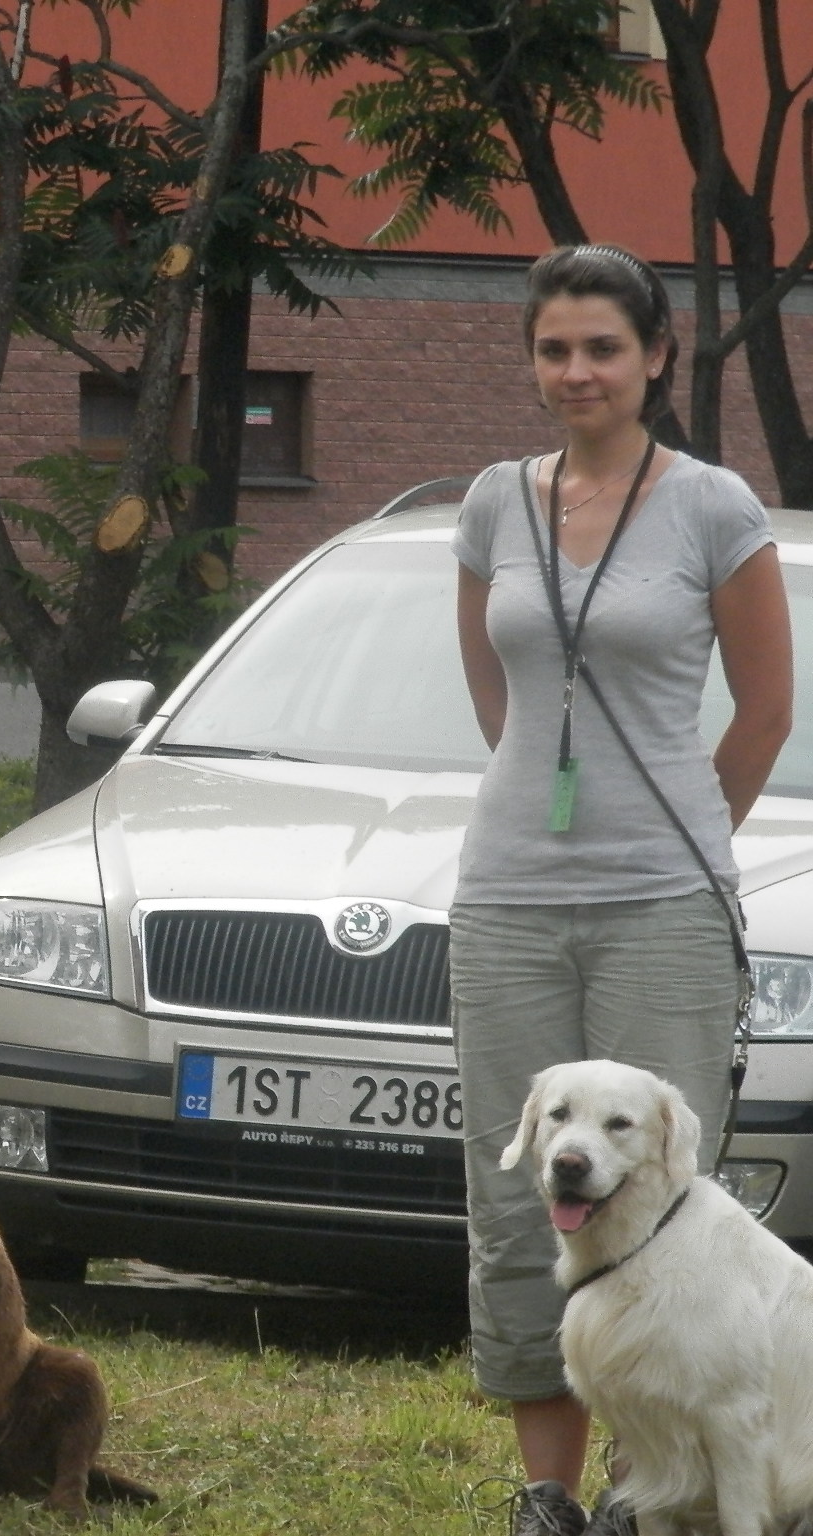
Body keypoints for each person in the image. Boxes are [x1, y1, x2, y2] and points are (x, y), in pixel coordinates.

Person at [452, 244, 793, 1535]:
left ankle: (659, 1489)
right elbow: (502, 696)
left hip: (664, 902)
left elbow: (765, 710)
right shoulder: (497, 501)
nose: (577, 371)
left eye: (603, 347)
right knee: (523, 1193)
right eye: (554, 349)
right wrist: (544, 798)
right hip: (507, 899)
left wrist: (680, 837)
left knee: (656, 1210)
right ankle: (548, 1496)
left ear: (658, 358)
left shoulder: (714, 506)